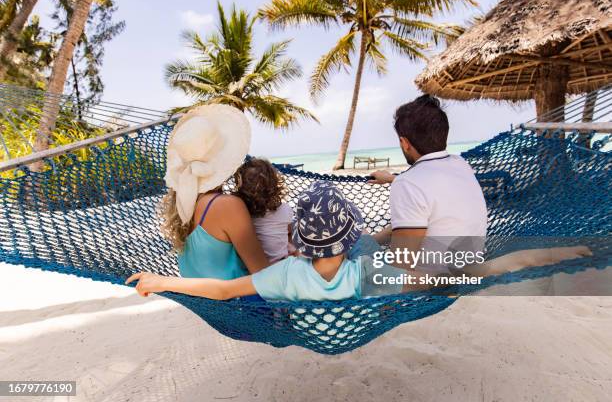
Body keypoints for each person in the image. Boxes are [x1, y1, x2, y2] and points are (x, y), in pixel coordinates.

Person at [126, 181, 592, 300]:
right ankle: (550, 253)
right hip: (374, 282)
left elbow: (225, 289)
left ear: (297, 243)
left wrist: (165, 282)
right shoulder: (370, 270)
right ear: (347, 241)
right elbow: (431, 278)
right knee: (477, 268)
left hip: (315, 290)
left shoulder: (286, 274)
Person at [368, 95, 488, 274]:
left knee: (357, 254)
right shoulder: (460, 164)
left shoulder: (408, 184)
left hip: (432, 284)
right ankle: (369, 241)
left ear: (404, 143)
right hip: (469, 264)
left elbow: (401, 265)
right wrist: (393, 178)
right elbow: (431, 188)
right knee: (406, 223)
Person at [160, 104, 268, 280]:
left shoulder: (181, 207)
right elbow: (263, 274)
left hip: (207, 305)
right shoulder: (226, 205)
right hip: (240, 303)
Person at [233, 158, 294, 263]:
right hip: (282, 263)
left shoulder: (241, 213)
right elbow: (288, 231)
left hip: (251, 267)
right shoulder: (284, 209)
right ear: (274, 184)